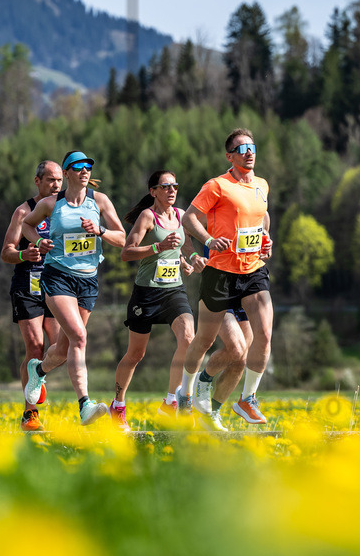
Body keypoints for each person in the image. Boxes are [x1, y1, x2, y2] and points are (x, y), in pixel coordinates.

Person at [19, 150, 126, 425]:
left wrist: (100, 231)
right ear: (67, 173)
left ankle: (39, 369)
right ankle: (85, 406)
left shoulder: (99, 202)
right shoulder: (51, 204)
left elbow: (122, 238)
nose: (85, 170)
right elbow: (26, 225)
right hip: (58, 277)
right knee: (79, 336)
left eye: (88, 165)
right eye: (78, 166)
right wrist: (38, 243)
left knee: (65, 348)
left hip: (88, 280)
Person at [179, 128, 274, 431]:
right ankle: (188, 391)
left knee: (261, 339)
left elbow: (263, 217)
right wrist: (208, 238)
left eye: (252, 146)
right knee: (218, 344)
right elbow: (189, 218)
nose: (248, 152)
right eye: (241, 148)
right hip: (220, 274)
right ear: (229, 156)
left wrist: (266, 239)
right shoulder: (217, 185)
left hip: (253, 271)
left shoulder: (261, 185)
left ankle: (240, 401)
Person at [110, 171, 197, 432]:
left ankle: (170, 402)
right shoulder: (148, 217)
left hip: (174, 291)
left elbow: (183, 246)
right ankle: (118, 405)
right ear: (153, 191)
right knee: (136, 354)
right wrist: (157, 248)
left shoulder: (181, 216)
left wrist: (187, 261)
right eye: (165, 186)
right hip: (146, 293)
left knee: (188, 338)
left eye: (175, 186)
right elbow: (127, 252)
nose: (172, 190)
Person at [0, 160, 63, 432]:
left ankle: (38, 376)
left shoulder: (66, 210)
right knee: (35, 347)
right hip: (28, 285)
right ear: (37, 181)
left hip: (59, 284)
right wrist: (24, 254)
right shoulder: (23, 211)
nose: (56, 185)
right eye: (51, 180)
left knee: (61, 346)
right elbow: (6, 252)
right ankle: (30, 413)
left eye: (60, 180)